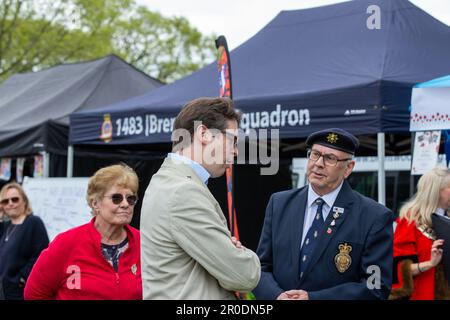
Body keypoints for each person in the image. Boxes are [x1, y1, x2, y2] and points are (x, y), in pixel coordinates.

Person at [140, 97, 260, 299]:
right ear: (204, 133)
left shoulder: (168, 181)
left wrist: (229, 252)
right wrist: (246, 257)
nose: (235, 151)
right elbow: (244, 276)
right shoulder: (183, 191)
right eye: (232, 140)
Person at [253, 128, 394, 300]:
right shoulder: (280, 204)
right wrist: (277, 296)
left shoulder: (374, 217)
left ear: (348, 168)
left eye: (330, 158)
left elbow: (376, 286)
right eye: (315, 154)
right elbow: (261, 267)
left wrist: (313, 298)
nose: (319, 163)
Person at [24, 164, 142, 300]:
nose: (125, 204)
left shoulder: (143, 243)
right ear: (95, 204)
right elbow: (34, 293)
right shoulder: (66, 243)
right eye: (116, 198)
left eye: (130, 198)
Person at [390, 166, 450, 300]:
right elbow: (400, 271)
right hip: (422, 295)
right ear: (436, 191)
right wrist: (430, 263)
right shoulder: (409, 222)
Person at [0, 182, 49, 300]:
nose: (10, 204)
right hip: (4, 291)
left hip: (19, 292)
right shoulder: (5, 226)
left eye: (15, 199)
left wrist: (22, 277)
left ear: (24, 201)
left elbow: (42, 254)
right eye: (5, 201)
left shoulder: (33, 222)